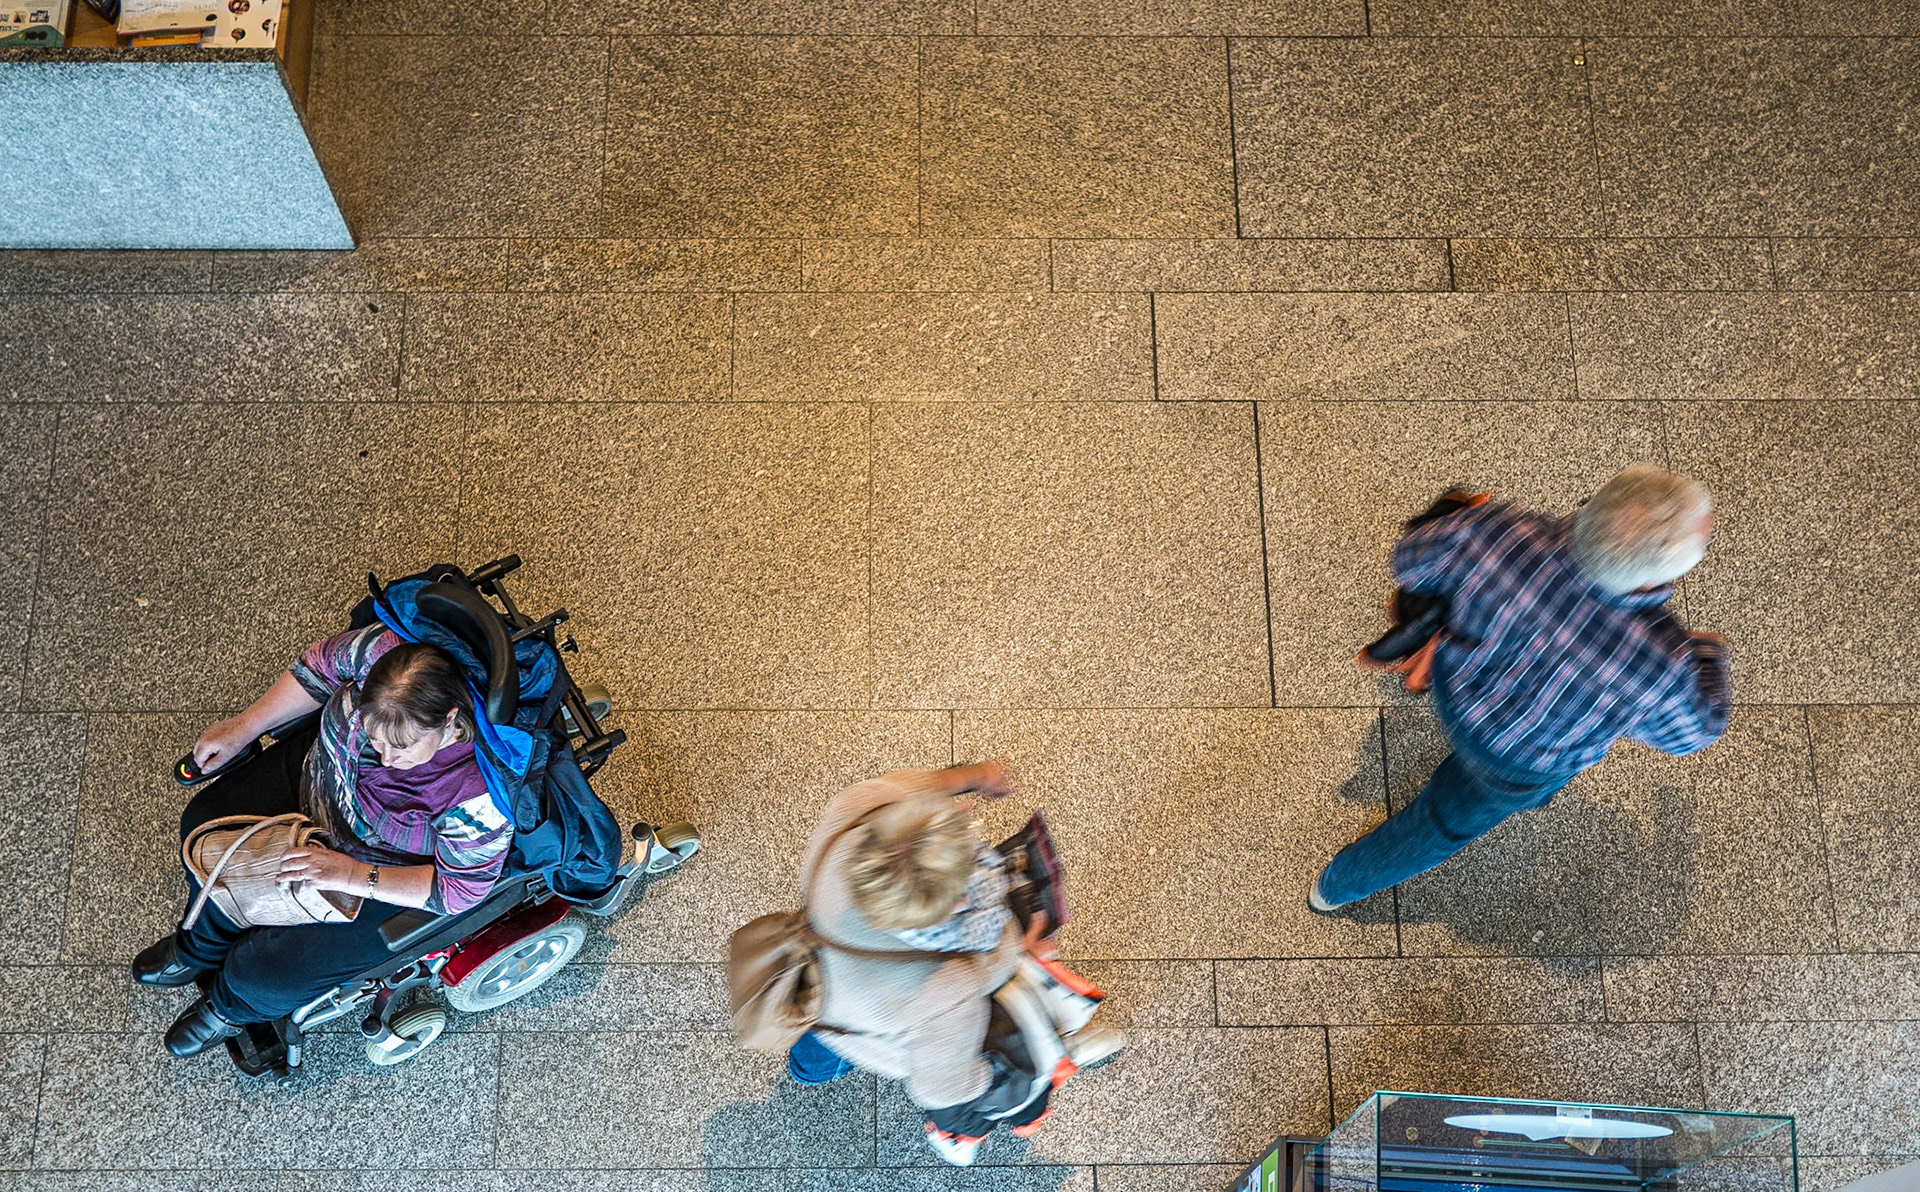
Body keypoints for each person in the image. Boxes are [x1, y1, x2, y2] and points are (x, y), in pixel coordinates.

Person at [1313, 464, 1732, 911]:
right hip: (1519, 764)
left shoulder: (1496, 531)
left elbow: (1411, 557)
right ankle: (1334, 890)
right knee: (1442, 823)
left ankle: (1336, 887)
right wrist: (1708, 653)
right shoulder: (1663, 665)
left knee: (1441, 820)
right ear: (1653, 576)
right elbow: (1692, 734)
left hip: (1456, 690)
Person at [132, 626, 513, 1058]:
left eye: (403, 748)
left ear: (448, 719)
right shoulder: (382, 654)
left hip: (379, 866)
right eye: (374, 738)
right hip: (321, 781)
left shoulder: (477, 797)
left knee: (267, 974)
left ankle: (229, 1007)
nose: (387, 760)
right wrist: (242, 728)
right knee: (206, 827)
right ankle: (197, 948)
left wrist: (351, 874)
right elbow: (314, 671)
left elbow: (459, 891)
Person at [786, 761, 1121, 1166]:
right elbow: (940, 1089)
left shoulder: (854, 812)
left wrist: (974, 777)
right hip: (878, 1029)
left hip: (820, 981)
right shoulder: (950, 987)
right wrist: (989, 1072)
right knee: (972, 1036)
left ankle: (806, 1070)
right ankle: (963, 1129)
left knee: (817, 1046)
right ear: (957, 904)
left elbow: (918, 785)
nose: (966, 819)